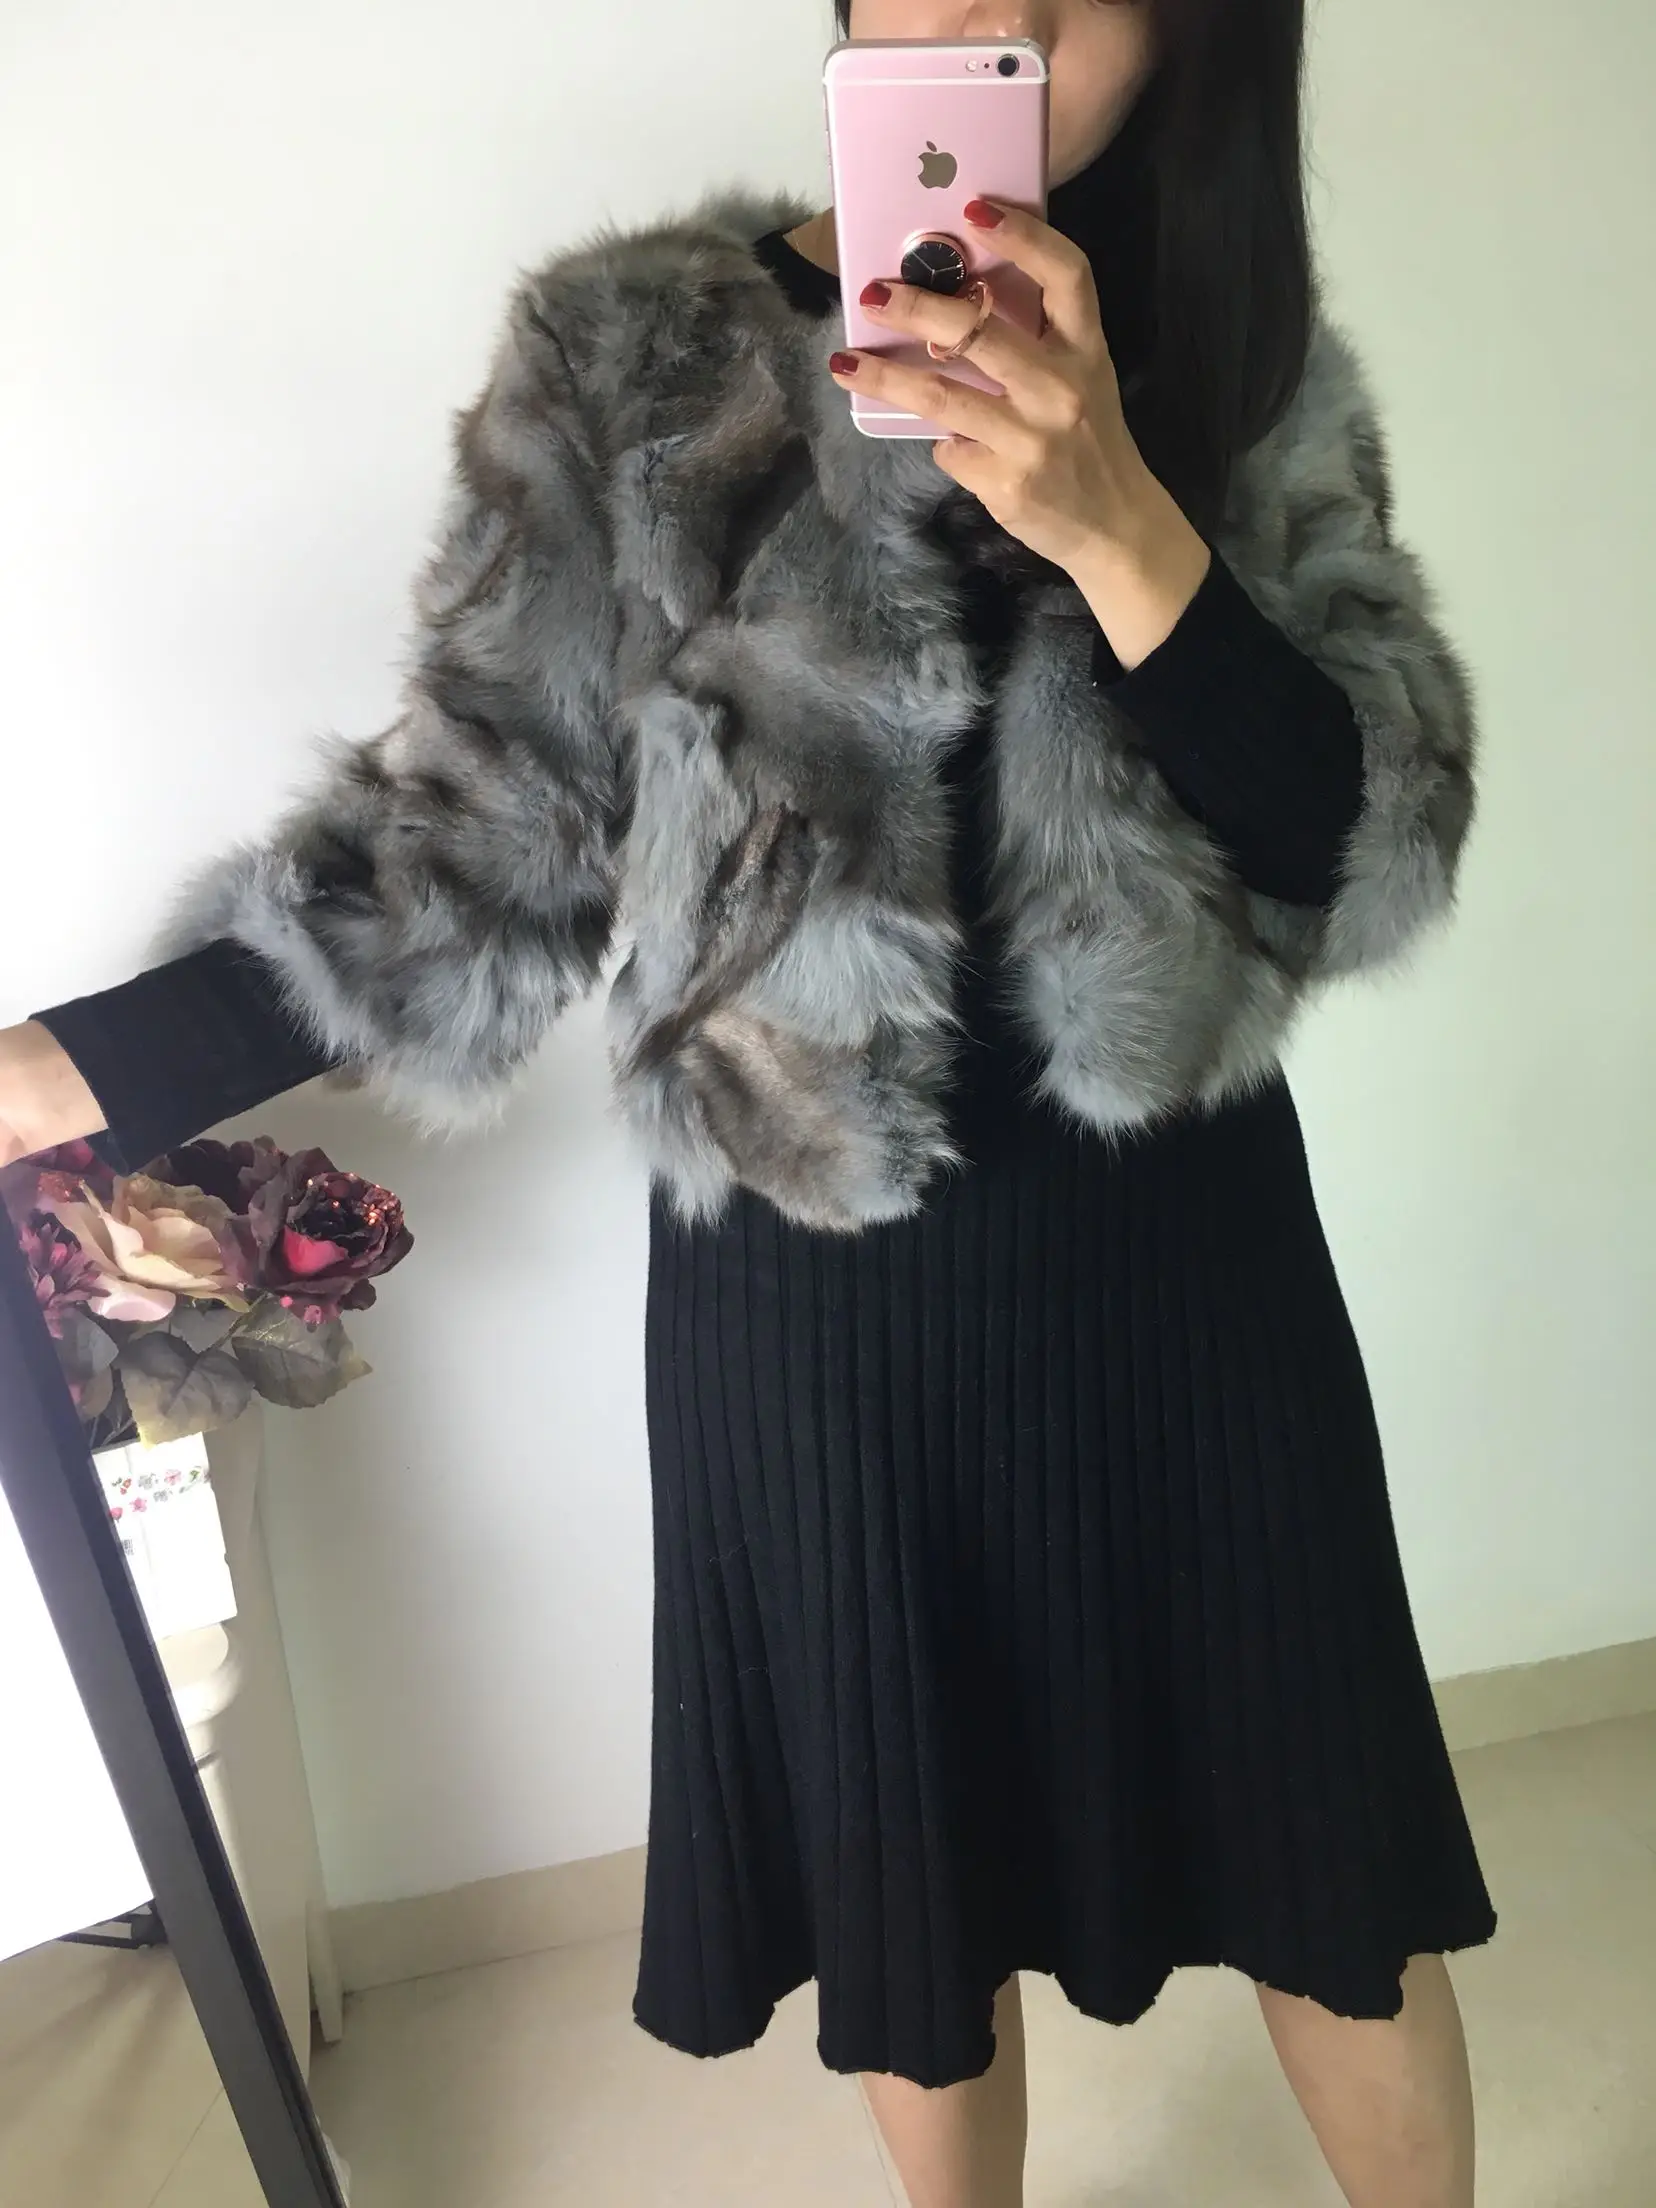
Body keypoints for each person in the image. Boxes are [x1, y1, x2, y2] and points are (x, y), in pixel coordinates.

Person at [0, 2, 1495, 2202]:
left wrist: (1126, 527)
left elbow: (1363, 842)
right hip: (809, 1303)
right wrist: (75, 1072)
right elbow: (467, 860)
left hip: (1186, 1265)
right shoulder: (622, 359)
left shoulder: (1239, 363)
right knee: (915, 1896)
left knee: (1329, 1859)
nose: (992, 21)